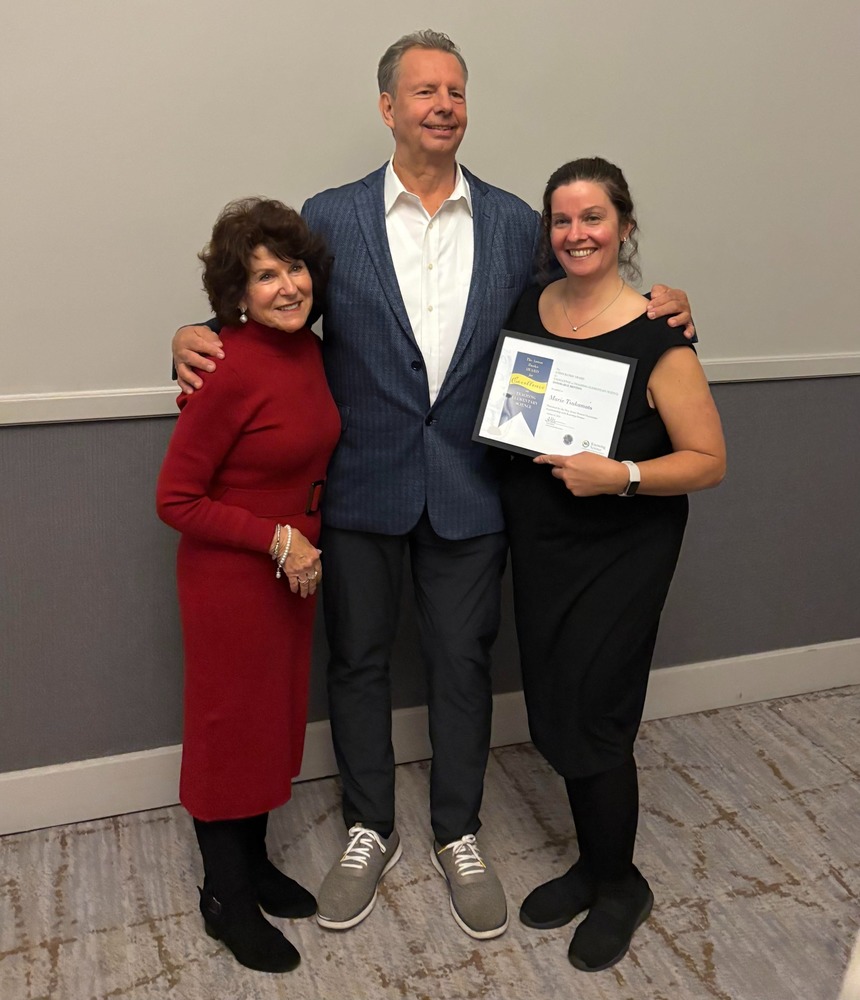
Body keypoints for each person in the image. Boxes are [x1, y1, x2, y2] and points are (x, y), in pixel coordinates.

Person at [171, 31, 694, 941]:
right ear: (388, 108)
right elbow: (271, 305)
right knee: (358, 666)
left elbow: (582, 307)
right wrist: (192, 333)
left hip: (471, 491)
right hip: (360, 490)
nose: (443, 103)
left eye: (456, 90)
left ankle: (458, 830)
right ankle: (370, 828)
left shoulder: (510, 224)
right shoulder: (327, 216)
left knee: (462, 667)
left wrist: (668, 303)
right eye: (424, 91)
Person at [500, 157, 725, 971]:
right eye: (562, 221)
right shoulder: (530, 304)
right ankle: (593, 865)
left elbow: (707, 459)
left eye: (593, 218)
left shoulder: (660, 332)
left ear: (624, 226)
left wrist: (622, 475)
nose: (576, 234)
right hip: (543, 540)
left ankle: (622, 884)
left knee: (596, 712)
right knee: (556, 705)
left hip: (623, 549)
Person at [156, 198, 340, 972]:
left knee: (270, 724)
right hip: (234, 579)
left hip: (290, 576)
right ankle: (225, 897)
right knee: (229, 730)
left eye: (294, 267)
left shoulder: (309, 351)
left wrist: (294, 546)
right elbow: (175, 499)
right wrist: (276, 538)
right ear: (235, 294)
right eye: (265, 276)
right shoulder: (222, 363)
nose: (287, 286)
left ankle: (255, 866)